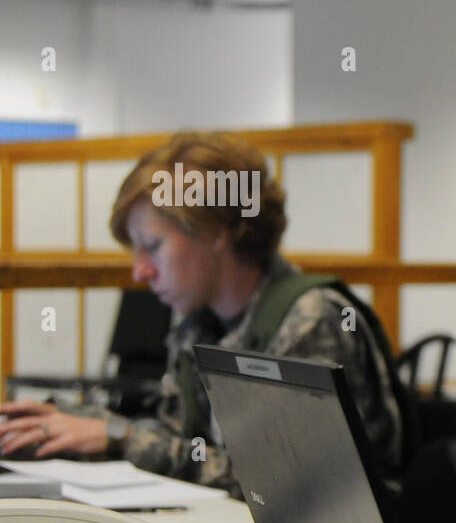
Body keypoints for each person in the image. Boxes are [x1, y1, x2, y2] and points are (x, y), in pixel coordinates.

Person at [0, 131, 406, 499]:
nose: (139, 271)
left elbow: (284, 483)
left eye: (153, 246)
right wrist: (70, 424)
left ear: (214, 232)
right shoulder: (202, 321)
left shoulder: (312, 319)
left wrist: (121, 438)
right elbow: (184, 441)